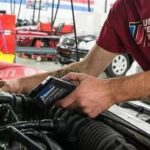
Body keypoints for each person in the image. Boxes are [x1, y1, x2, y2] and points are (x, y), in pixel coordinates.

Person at [0, 0, 150, 118]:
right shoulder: (123, 9)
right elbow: (86, 68)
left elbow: (108, 89)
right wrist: (18, 84)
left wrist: (110, 90)